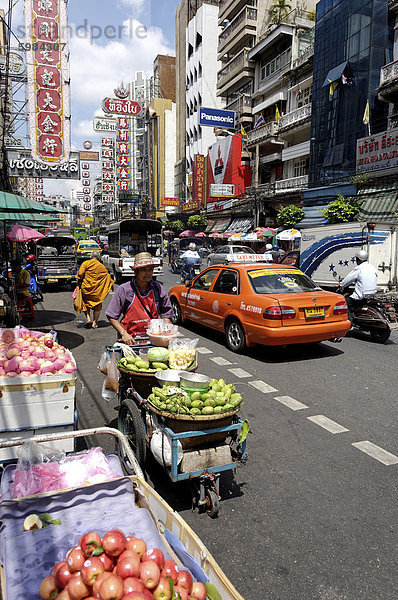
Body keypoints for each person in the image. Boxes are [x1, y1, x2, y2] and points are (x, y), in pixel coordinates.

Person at [106, 251, 173, 344]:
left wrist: (165, 330)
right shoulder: (124, 290)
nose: (148, 273)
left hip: (153, 339)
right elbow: (111, 315)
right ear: (136, 271)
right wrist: (123, 333)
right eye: (144, 270)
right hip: (130, 340)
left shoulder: (157, 288)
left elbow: (166, 312)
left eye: (150, 269)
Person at [76, 250, 114, 328]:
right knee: (97, 306)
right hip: (97, 291)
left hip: (86, 289)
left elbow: (80, 274)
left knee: (85, 304)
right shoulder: (101, 266)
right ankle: (94, 323)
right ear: (99, 258)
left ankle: (88, 318)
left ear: (90, 257)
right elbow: (107, 276)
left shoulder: (86, 263)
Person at [339, 249, 378, 317]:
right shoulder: (372, 267)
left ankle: (350, 322)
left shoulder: (359, 269)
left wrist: (341, 284)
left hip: (360, 296)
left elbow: (348, 279)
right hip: (371, 295)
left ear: (358, 259)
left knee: (346, 301)